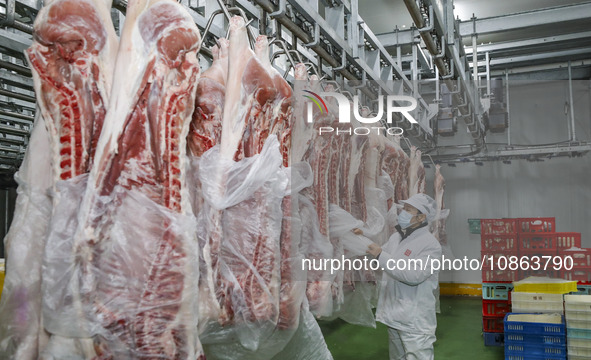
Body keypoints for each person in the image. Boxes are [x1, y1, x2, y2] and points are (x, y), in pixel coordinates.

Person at [366, 193, 442, 360]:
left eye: (408, 210)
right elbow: (379, 258)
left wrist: (380, 255)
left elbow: (414, 275)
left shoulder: (430, 245)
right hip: (394, 316)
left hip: (414, 320)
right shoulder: (396, 237)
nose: (403, 213)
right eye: (403, 209)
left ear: (421, 217)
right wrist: (357, 237)